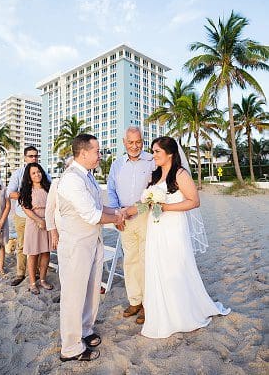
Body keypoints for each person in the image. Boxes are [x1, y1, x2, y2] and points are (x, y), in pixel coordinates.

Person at [123, 137, 229, 339]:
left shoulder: (180, 174)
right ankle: (163, 312)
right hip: (155, 229)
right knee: (158, 269)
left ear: (169, 154)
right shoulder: (154, 176)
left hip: (173, 229)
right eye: (153, 151)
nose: (153, 155)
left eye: (156, 152)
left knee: (174, 268)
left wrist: (165, 207)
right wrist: (126, 211)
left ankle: (181, 313)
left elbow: (194, 201)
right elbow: (147, 205)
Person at [55, 134, 126, 362]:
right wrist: (117, 219)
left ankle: (85, 330)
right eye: (97, 151)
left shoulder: (89, 176)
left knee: (91, 290)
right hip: (76, 246)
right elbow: (92, 215)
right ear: (83, 153)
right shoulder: (71, 180)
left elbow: (98, 206)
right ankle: (71, 347)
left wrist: (117, 211)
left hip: (93, 242)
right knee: (73, 296)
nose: (100, 155)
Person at [106, 126, 155, 324]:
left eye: (138, 142)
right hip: (123, 217)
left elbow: (156, 191)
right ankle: (135, 300)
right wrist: (118, 214)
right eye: (131, 142)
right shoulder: (117, 164)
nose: (135, 146)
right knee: (130, 260)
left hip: (146, 215)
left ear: (143, 141)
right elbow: (111, 190)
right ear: (124, 142)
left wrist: (137, 210)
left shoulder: (151, 161)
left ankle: (148, 303)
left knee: (146, 260)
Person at [7, 146, 50, 286]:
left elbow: (50, 188)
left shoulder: (41, 172)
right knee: (23, 245)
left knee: (42, 248)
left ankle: (39, 275)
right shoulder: (18, 173)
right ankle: (20, 273)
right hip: (23, 214)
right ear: (25, 157)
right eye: (31, 156)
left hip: (44, 218)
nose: (34, 158)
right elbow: (10, 193)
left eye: (36, 156)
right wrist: (27, 195)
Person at [19, 162, 52, 294]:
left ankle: (43, 279)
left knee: (46, 252)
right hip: (34, 224)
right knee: (33, 254)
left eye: (38, 172)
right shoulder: (26, 190)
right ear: (29, 176)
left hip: (48, 222)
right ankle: (32, 282)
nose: (37, 174)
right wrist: (39, 220)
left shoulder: (48, 187)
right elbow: (26, 209)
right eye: (33, 173)